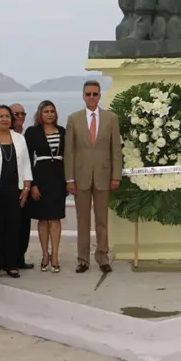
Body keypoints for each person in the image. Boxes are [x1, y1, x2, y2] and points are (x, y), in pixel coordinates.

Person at [65, 80, 123, 274]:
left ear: (99, 95)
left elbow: (116, 149)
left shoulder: (111, 118)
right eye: (88, 94)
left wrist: (116, 176)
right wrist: (69, 179)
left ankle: (102, 257)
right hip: (80, 177)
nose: (92, 97)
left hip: (103, 176)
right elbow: (69, 152)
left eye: (95, 94)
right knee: (82, 220)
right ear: (83, 96)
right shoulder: (74, 119)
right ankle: (83, 260)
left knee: (102, 219)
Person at [0, 104, 34, 279]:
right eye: (1, 116)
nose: (5, 119)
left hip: (16, 189)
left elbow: (26, 163)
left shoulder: (19, 138)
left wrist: (27, 188)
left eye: (7, 116)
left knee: (14, 227)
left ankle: (12, 264)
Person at [24, 100, 67, 273]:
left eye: (52, 111)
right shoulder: (32, 132)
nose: (49, 114)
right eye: (46, 111)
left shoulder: (63, 131)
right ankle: (44, 255)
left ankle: (55, 255)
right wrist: (32, 184)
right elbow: (27, 158)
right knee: (43, 219)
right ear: (40, 114)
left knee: (55, 218)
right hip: (40, 177)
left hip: (58, 177)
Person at [10, 103, 34, 270]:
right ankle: (8, 260)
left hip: (27, 185)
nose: (19, 116)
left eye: (22, 113)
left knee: (24, 225)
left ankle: (20, 258)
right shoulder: (1, 136)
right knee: (9, 225)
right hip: (8, 187)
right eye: (15, 114)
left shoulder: (29, 136)